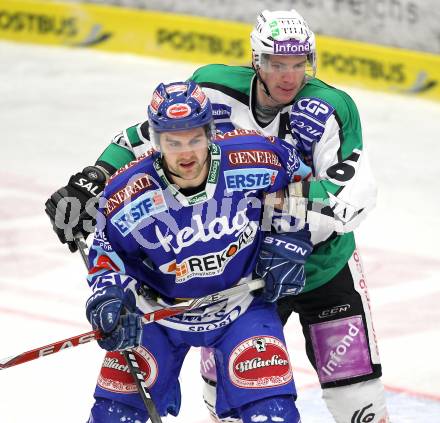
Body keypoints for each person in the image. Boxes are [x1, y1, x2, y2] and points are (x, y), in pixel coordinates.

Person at [45, 8, 389, 423]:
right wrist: (93, 179)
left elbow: (351, 195)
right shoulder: (213, 88)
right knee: (226, 398)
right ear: (256, 60)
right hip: (243, 276)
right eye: (277, 64)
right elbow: (151, 136)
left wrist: (284, 225)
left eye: (300, 65)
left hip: (323, 266)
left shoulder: (330, 108)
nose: (289, 77)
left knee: (357, 393)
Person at [84, 80, 312, 422]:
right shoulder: (127, 192)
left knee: (274, 414)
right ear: (156, 141)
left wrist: (290, 237)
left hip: (241, 306)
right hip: (156, 314)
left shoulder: (255, 156)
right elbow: (105, 252)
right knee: (113, 415)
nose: (186, 153)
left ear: (210, 131)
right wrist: (108, 298)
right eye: (173, 142)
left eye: (195, 138)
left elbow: (299, 179)